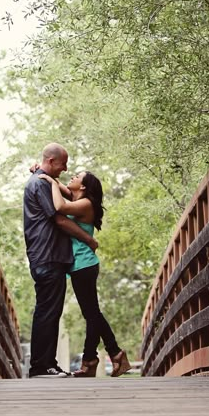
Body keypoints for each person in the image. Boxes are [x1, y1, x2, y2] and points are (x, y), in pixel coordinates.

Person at [39, 170, 131, 378]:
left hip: (84, 265)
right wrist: (44, 174)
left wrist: (50, 182)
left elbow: (60, 207)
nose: (71, 177)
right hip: (79, 265)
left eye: (77, 176)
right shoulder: (77, 198)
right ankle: (107, 356)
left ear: (83, 186)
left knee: (92, 314)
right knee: (92, 314)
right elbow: (63, 189)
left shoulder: (86, 203)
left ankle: (100, 358)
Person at [24, 143, 98, 378]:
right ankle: (41, 366)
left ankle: (47, 363)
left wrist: (43, 174)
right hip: (48, 256)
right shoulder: (41, 183)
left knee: (50, 310)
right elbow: (60, 219)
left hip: (48, 256)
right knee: (47, 311)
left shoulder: (42, 180)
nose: (66, 169)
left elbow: (65, 196)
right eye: (63, 164)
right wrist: (89, 240)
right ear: (52, 161)